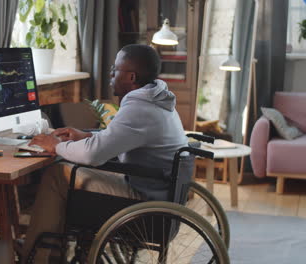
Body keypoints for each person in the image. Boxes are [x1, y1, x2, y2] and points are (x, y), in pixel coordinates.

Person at [21, 44, 187, 263]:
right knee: (75, 170)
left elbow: (93, 156)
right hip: (158, 191)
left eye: (115, 69)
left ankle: (36, 258)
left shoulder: (141, 107)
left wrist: (55, 146)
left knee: (58, 174)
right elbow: (119, 138)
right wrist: (86, 136)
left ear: (131, 76)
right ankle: (58, 252)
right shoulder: (156, 99)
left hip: (145, 200)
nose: (110, 74)